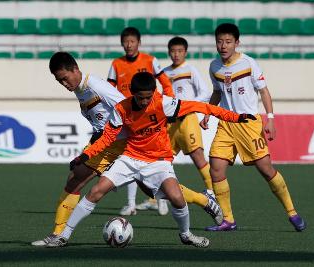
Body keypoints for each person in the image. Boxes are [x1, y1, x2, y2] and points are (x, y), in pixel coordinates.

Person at [46, 72, 256, 248]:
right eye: (141, 98)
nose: (145, 101)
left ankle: (186, 235)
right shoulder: (122, 109)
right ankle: (64, 235)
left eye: (148, 97)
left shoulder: (163, 103)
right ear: (133, 95)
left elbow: (200, 107)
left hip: (158, 161)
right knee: (95, 192)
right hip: (130, 157)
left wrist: (234, 117)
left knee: (176, 197)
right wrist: (85, 155)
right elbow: (108, 138)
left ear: (153, 93)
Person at [200, 23, 306, 232]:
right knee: (216, 169)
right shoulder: (214, 67)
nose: (223, 45)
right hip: (226, 124)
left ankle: (292, 212)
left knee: (266, 169)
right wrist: (208, 113)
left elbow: (264, 91)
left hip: (248, 124)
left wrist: (271, 119)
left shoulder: (248, 63)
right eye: (220, 41)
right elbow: (217, 92)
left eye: (228, 41)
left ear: (236, 43)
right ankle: (228, 220)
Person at [31, 51, 127, 246]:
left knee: (160, 189)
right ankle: (58, 234)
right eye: (60, 82)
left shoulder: (96, 86)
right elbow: (100, 120)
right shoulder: (80, 89)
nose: (64, 84)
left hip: (119, 143)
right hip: (103, 143)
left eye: (65, 78)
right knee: (74, 179)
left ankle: (204, 201)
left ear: (75, 69)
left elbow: (126, 108)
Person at [136, 36, 214, 213]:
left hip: (187, 119)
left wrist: (186, 105)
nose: (176, 54)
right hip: (169, 122)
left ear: (185, 52)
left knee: (197, 157)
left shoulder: (191, 70)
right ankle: (155, 199)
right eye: (173, 51)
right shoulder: (163, 73)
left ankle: (212, 192)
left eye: (180, 51)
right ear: (169, 52)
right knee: (159, 159)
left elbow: (205, 93)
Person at [107, 26, 174, 215]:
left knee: (158, 157)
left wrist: (165, 109)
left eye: (132, 41)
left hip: (152, 117)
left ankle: (160, 198)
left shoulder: (151, 61)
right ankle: (130, 204)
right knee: (130, 159)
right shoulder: (116, 64)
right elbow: (109, 90)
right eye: (125, 41)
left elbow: (166, 84)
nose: (129, 45)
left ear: (139, 43)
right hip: (128, 118)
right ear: (122, 43)